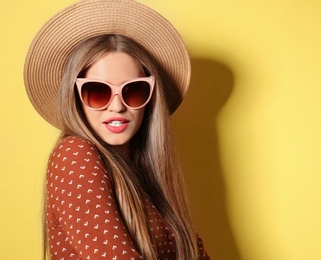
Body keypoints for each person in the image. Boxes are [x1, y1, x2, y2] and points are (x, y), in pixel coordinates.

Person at [24, 0, 210, 259]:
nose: (117, 106)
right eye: (98, 91)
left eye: (133, 90)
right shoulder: (75, 154)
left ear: (151, 97)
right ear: (75, 97)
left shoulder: (147, 177)